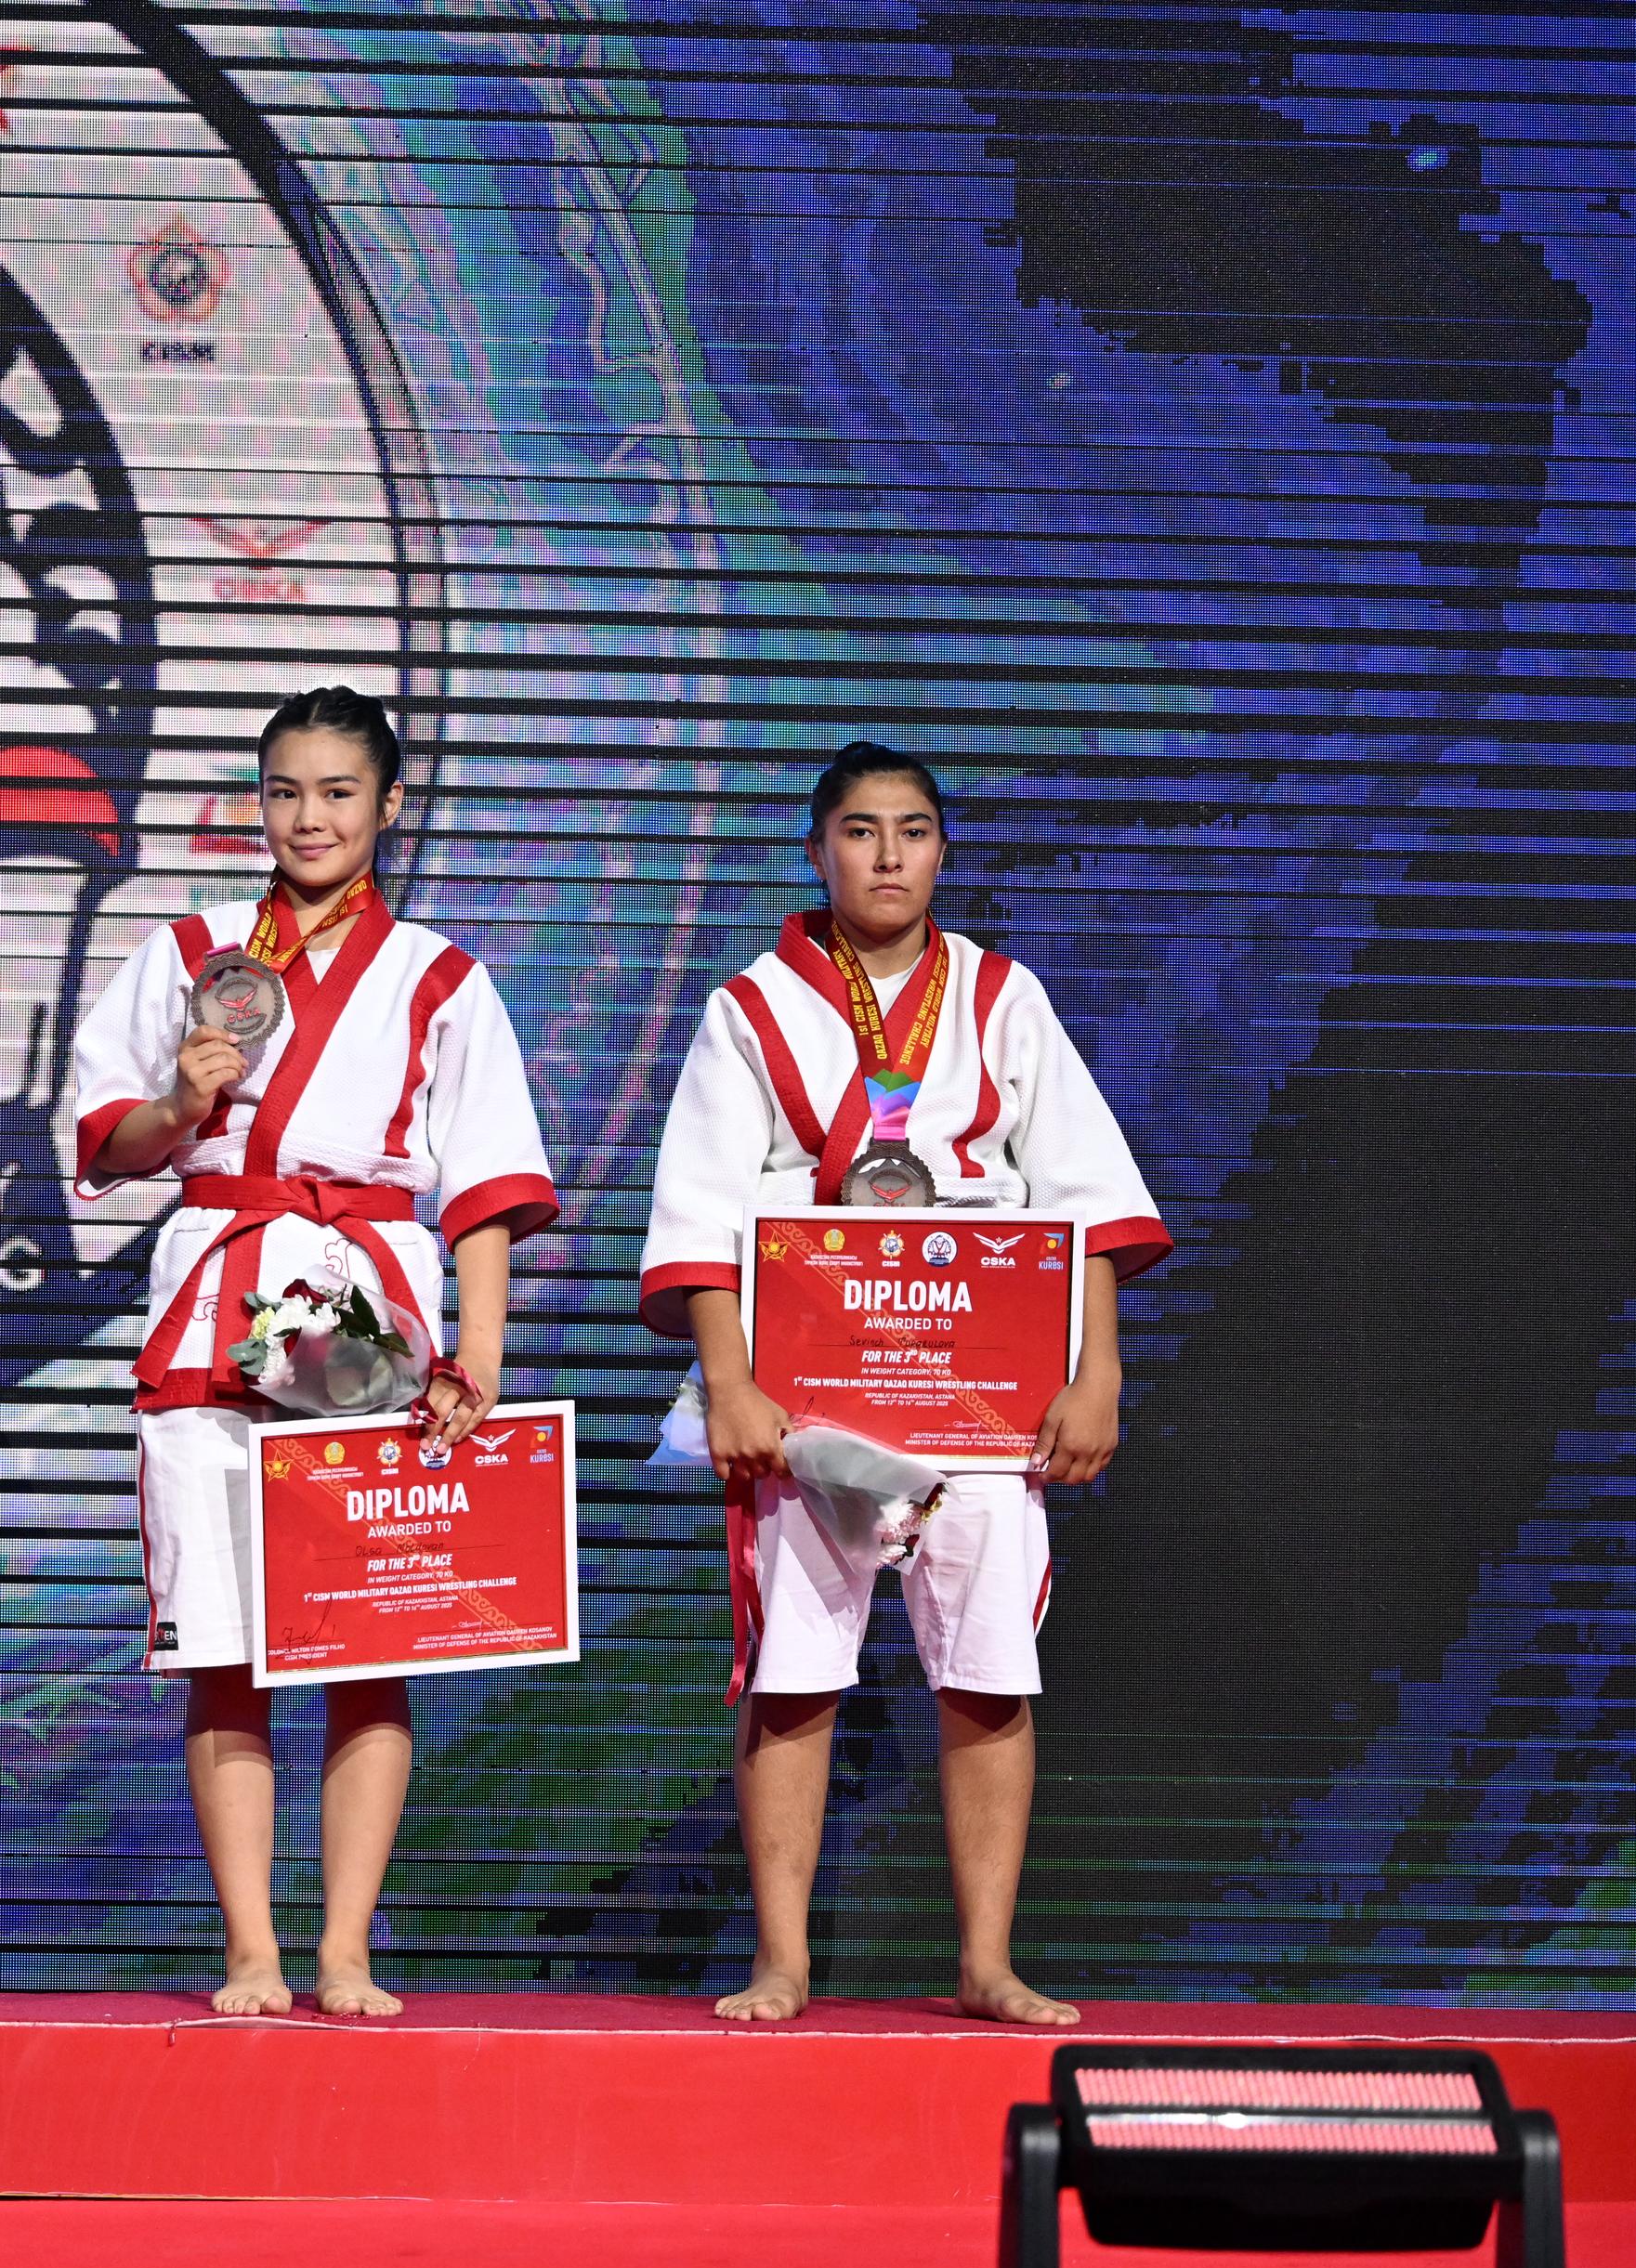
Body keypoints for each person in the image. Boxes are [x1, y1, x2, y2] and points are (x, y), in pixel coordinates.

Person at [636, 739, 1169, 2027]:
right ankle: (782, 1960)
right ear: (817, 848)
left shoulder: (1001, 994)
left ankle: (985, 1961)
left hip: (980, 1379)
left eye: (914, 831)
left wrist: (1098, 1370)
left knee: (989, 1669)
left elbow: (1084, 1197)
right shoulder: (752, 1007)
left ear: (943, 849)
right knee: (793, 1673)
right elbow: (703, 1213)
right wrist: (728, 1385)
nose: (888, 856)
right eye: (862, 831)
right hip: (809, 1390)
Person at [63, 689, 557, 2019]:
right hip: (218, 1299)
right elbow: (105, 1143)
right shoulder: (189, 952)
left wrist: (478, 1356)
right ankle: (251, 1949)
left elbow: (487, 1183)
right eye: (286, 791)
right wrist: (182, 1101)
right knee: (224, 1646)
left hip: (368, 1303)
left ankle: (344, 1946)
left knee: (367, 1637)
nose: (310, 818)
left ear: (389, 805)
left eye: (339, 792)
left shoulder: (440, 975)